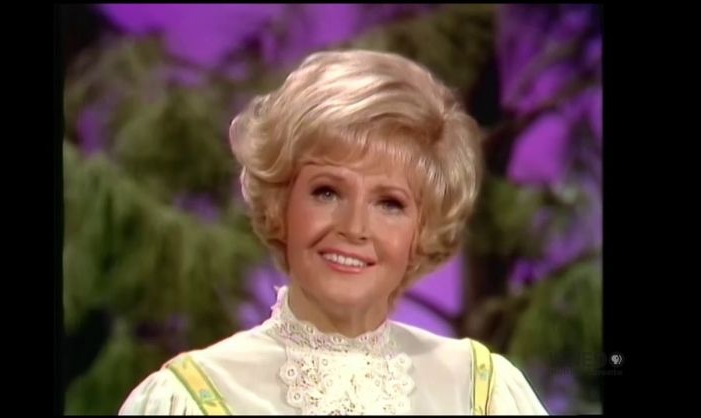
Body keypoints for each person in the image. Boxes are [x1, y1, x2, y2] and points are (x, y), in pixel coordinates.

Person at [119, 49, 548, 415]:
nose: (355, 227)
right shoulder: (193, 397)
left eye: (389, 203)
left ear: (421, 231)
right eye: (326, 192)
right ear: (280, 204)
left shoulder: (479, 392)